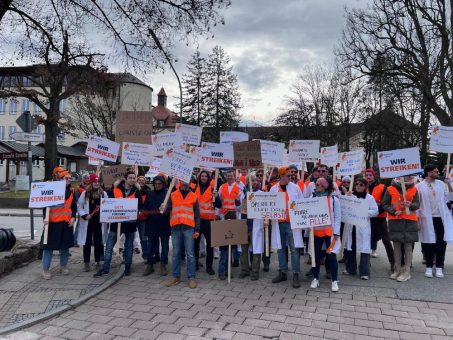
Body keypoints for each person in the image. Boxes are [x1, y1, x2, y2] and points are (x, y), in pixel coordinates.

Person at [94, 171, 142, 277]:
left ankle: (127, 268)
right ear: (125, 179)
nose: (132, 179)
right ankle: (105, 268)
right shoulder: (115, 190)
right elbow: (107, 203)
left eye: (134, 178)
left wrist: (138, 212)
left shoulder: (137, 192)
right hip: (116, 224)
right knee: (109, 246)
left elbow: (140, 207)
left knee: (129, 247)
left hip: (130, 225)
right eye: (130, 177)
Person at [416, 164, 453, 278]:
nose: (438, 173)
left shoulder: (442, 184)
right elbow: (417, 204)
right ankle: (428, 266)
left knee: (441, 243)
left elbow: (451, 197)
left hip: (440, 218)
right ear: (428, 173)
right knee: (428, 242)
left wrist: (449, 184)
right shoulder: (419, 186)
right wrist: (417, 219)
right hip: (427, 218)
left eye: (437, 171)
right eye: (435, 172)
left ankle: (439, 267)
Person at [162, 181, 200, 289]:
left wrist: (197, 229)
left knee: (190, 254)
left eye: (187, 182)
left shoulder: (194, 196)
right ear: (180, 182)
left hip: (188, 229)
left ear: (189, 183)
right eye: (183, 181)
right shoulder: (173, 195)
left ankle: (191, 277)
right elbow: (167, 210)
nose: (185, 183)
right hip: (175, 228)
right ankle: (175, 276)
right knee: (175, 254)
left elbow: (197, 215)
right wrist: (163, 209)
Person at [270, 166, 303, 288]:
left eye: (291, 175)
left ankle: (295, 273)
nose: (291, 177)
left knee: (294, 250)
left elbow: (301, 203)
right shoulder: (273, 189)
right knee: (280, 248)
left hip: (292, 224)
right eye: (288, 175)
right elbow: (269, 206)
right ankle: (282, 271)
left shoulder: (295, 188)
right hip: (278, 223)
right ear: (282, 175)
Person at [382, 176, 420, 282]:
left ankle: (407, 271)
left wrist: (411, 205)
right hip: (395, 220)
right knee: (397, 246)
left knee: (408, 247)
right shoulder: (390, 188)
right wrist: (393, 211)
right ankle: (397, 269)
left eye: (409, 176)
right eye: (405, 176)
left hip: (410, 220)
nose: (408, 178)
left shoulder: (414, 188)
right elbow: (385, 204)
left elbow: (417, 204)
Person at [42, 170, 77, 279]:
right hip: (52, 223)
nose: (69, 180)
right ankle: (45, 270)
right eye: (66, 178)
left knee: (65, 247)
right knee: (48, 247)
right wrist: (45, 218)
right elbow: (44, 204)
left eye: (70, 178)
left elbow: (73, 207)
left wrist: (73, 218)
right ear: (60, 179)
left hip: (66, 223)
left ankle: (63, 266)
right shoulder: (52, 189)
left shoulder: (72, 191)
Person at [309, 176, 341, 292]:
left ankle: (334, 280)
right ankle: (315, 278)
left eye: (318, 184)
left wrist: (337, 233)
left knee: (331, 256)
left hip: (330, 234)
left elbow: (337, 217)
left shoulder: (333, 199)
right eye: (315, 184)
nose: (315, 186)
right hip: (316, 233)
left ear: (325, 186)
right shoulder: (311, 197)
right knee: (316, 256)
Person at [343, 177, 379, 279]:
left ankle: (364, 272)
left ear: (365, 186)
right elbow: (344, 207)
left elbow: (375, 211)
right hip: (351, 227)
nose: (358, 186)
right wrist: (347, 196)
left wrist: (363, 212)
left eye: (361, 185)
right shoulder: (350, 195)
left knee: (364, 249)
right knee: (351, 247)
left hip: (363, 227)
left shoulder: (369, 198)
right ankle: (350, 268)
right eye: (357, 184)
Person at [365, 168, 395, 273]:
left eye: (370, 175)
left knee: (386, 240)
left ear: (374, 176)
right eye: (366, 175)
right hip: (367, 219)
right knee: (367, 241)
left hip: (380, 218)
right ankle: (365, 263)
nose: (368, 177)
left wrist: (376, 211)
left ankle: (393, 263)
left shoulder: (382, 187)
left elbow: (385, 202)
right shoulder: (362, 187)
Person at [77, 173, 108, 271]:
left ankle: (98, 261)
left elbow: (108, 206)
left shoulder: (103, 194)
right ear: (91, 182)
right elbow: (79, 206)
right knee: (87, 242)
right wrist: (85, 215)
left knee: (98, 242)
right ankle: (86, 262)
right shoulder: (85, 193)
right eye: (95, 181)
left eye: (98, 182)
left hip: (99, 222)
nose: (97, 183)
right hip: (88, 221)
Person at [215, 169, 242, 280]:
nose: (230, 177)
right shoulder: (222, 187)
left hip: (235, 219)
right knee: (224, 247)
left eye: (231, 176)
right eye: (228, 176)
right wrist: (217, 214)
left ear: (234, 177)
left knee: (233, 246)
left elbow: (241, 206)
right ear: (226, 177)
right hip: (224, 219)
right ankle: (222, 270)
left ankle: (229, 270)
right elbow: (219, 203)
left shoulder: (239, 188)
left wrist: (237, 201)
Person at [143, 176, 171, 276]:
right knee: (150, 246)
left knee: (165, 246)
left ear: (163, 184)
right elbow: (145, 207)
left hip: (164, 224)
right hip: (151, 224)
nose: (158, 185)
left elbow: (170, 208)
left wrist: (166, 210)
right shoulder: (149, 194)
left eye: (159, 184)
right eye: (156, 184)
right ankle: (150, 265)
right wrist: (144, 212)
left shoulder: (167, 194)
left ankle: (163, 264)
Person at [239, 172, 264, 280]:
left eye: (255, 180)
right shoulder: (242, 193)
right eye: (252, 180)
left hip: (255, 224)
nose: (254, 182)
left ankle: (255, 271)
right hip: (244, 223)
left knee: (256, 249)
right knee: (243, 249)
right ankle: (244, 269)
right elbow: (237, 206)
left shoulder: (260, 193)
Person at [193, 170, 216, 275]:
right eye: (202, 176)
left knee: (210, 245)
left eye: (205, 176)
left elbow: (219, 204)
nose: (203, 177)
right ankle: (195, 264)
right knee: (195, 244)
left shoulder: (212, 189)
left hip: (208, 221)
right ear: (199, 177)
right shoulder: (194, 188)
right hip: (197, 221)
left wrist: (217, 196)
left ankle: (209, 266)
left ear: (208, 178)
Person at [74, 173, 91, 247]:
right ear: (83, 179)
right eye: (85, 178)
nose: (87, 179)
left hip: (89, 208)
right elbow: (76, 198)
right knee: (79, 225)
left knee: (89, 225)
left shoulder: (90, 187)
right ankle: (75, 241)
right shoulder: (79, 188)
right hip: (82, 209)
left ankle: (88, 240)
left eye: (88, 178)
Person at [136, 175, 150, 259]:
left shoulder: (148, 191)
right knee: (129, 238)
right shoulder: (133, 190)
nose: (141, 181)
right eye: (139, 180)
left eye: (143, 180)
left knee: (143, 237)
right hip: (132, 218)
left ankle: (146, 254)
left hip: (143, 218)